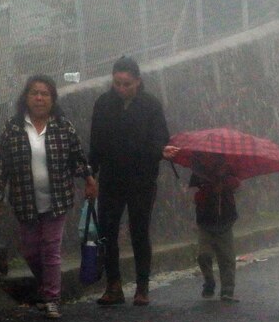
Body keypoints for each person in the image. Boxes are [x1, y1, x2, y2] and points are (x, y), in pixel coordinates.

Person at [0, 75, 97, 319]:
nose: (39, 98)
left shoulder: (62, 126)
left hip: (56, 199)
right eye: (34, 93)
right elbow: (0, 165)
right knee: (31, 252)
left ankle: (52, 298)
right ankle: (47, 287)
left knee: (50, 248)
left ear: (52, 99)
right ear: (25, 98)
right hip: (25, 200)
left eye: (44, 94)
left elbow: (77, 158)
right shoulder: (13, 128)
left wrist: (88, 178)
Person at [89, 56, 176, 306]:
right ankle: (113, 285)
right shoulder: (103, 104)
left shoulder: (150, 106)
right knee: (107, 232)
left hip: (141, 180)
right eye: (117, 83)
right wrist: (90, 172)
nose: (121, 88)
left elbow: (160, 139)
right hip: (112, 178)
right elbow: (97, 142)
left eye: (127, 84)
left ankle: (142, 287)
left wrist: (159, 151)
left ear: (138, 81)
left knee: (139, 231)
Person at [186, 151, 241, 303]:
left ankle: (227, 290)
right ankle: (209, 281)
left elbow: (236, 184)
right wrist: (208, 190)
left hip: (225, 221)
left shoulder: (229, 170)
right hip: (205, 222)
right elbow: (194, 195)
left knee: (227, 258)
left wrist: (224, 183)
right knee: (203, 255)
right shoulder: (199, 173)